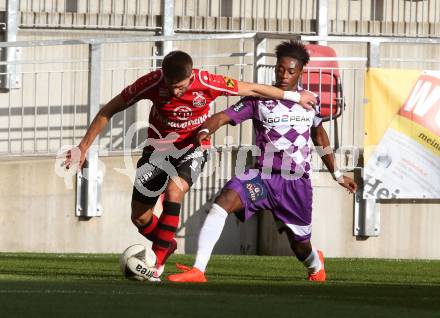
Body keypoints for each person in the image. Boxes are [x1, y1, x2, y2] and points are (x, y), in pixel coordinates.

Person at [63, 50, 317, 281]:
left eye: (181, 87)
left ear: (190, 76)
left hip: (194, 148)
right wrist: (83, 146)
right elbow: (109, 109)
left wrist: (295, 96)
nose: (176, 92)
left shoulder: (207, 82)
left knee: (175, 192)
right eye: (171, 87)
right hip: (158, 151)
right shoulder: (151, 83)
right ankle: (167, 244)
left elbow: (252, 89)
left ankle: (157, 265)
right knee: (140, 217)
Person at [167, 41, 357, 283]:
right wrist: (205, 131)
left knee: (300, 246)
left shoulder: (311, 101)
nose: (284, 75)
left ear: (300, 72)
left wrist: (338, 174)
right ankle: (198, 270)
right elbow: (223, 116)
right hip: (263, 176)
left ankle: (315, 265)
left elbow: (319, 135)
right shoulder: (259, 99)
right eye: (280, 69)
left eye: (290, 71)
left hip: (295, 183)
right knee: (223, 201)